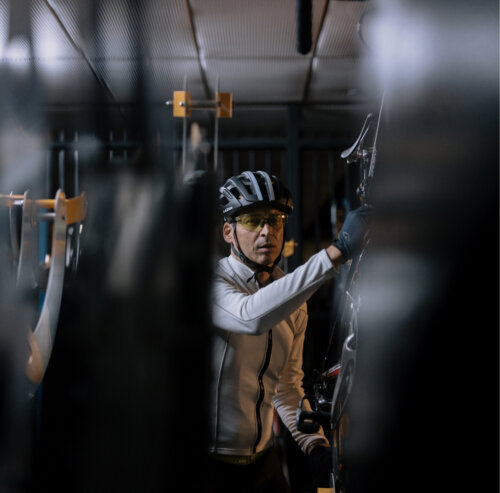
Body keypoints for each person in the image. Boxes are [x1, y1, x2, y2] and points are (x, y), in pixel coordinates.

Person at [206, 170, 370, 493]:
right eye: (253, 220)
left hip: (265, 462)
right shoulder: (213, 283)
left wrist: (315, 445)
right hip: (212, 468)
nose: (267, 231)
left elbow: (287, 388)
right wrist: (336, 252)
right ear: (228, 231)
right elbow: (250, 316)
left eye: (276, 220)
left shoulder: (290, 297)